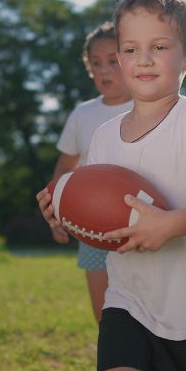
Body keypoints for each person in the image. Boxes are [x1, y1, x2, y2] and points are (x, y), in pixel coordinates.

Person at [37, 0, 186, 371]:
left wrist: (170, 225)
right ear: (118, 59)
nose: (144, 59)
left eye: (160, 47)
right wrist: (62, 209)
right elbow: (97, 206)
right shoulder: (102, 137)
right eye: (131, 50)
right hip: (127, 298)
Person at [50, 22, 134, 323]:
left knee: (149, 317)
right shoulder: (83, 114)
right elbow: (65, 167)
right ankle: (118, 366)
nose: (104, 71)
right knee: (107, 319)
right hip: (94, 228)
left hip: (143, 227)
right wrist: (57, 211)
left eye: (113, 61)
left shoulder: (150, 107)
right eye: (96, 64)